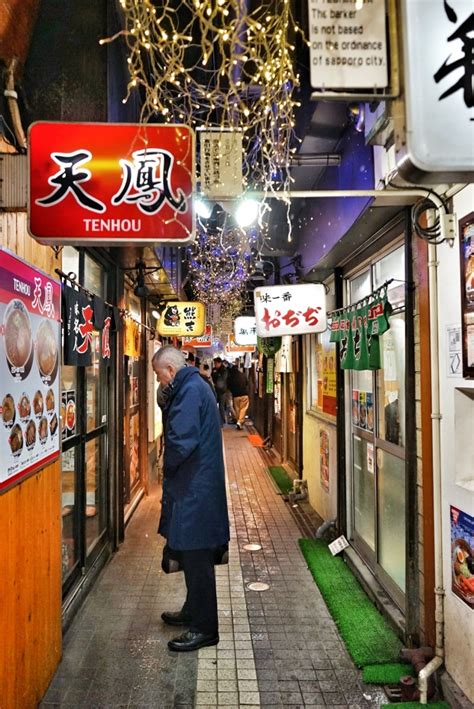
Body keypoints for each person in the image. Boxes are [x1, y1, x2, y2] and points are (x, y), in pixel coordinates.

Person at [152, 346, 230, 652]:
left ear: (170, 371)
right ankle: (192, 611)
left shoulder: (188, 391)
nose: (159, 381)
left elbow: (180, 440)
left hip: (194, 488)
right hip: (197, 485)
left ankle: (204, 628)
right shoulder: (194, 385)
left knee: (197, 560)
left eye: (159, 375)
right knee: (191, 555)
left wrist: (165, 467)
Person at [227, 363, 249, 429]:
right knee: (243, 408)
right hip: (244, 394)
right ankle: (239, 422)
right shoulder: (243, 375)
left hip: (235, 396)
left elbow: (229, 386)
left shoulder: (231, 377)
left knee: (237, 410)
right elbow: (247, 383)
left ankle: (238, 422)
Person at [211, 357, 229, 426]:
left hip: (222, 391)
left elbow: (222, 379)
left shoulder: (224, 370)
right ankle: (216, 421)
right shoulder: (214, 369)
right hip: (215, 390)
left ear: (219, 363)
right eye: (214, 363)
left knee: (221, 407)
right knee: (214, 405)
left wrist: (216, 375)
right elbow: (213, 375)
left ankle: (222, 421)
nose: (215, 365)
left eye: (216, 363)